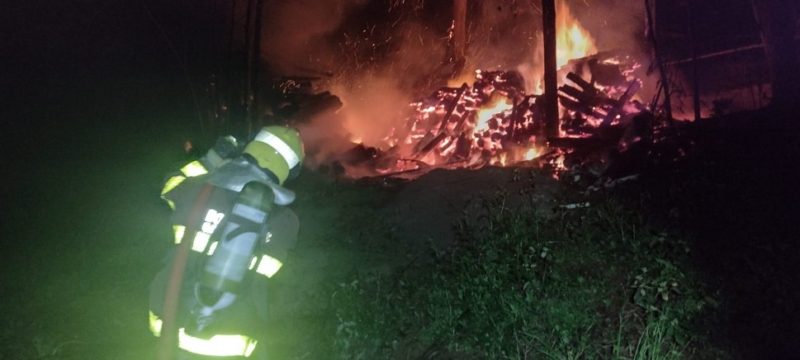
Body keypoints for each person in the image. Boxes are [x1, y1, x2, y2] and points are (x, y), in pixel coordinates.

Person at [148, 126, 304, 359]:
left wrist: (211, 160)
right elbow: (274, 281)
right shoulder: (286, 221)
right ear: (288, 170)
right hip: (232, 340)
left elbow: (168, 186)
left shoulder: (199, 188)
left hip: (169, 321)